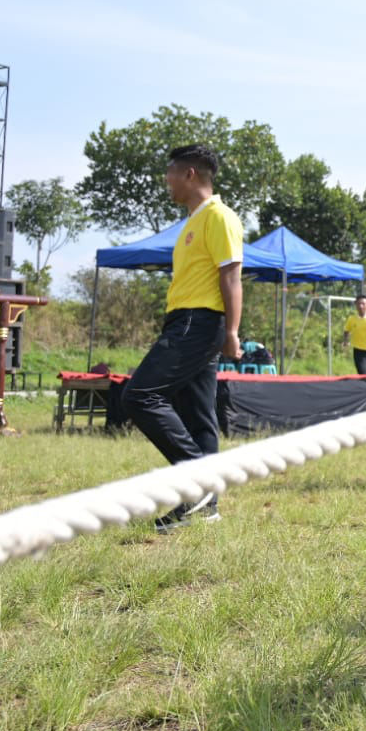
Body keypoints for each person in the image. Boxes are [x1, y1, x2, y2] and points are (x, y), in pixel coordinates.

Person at [123, 145, 244, 531]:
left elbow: (231, 276)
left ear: (190, 174)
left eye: (171, 172)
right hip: (186, 321)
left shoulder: (218, 216)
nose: (167, 180)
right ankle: (204, 508)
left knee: (140, 396)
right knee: (198, 416)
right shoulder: (192, 221)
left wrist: (232, 332)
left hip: (198, 322)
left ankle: (197, 486)